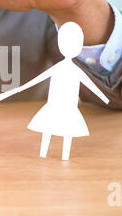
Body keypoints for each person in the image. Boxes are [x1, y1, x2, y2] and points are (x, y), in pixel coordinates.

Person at [17, 22, 110, 160]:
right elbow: (38, 79)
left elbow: (91, 85)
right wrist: (22, 87)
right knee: (48, 129)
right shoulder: (59, 68)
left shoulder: (75, 70)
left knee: (66, 132)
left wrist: (104, 97)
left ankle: (64, 155)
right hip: (53, 107)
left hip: (69, 109)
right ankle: (44, 153)